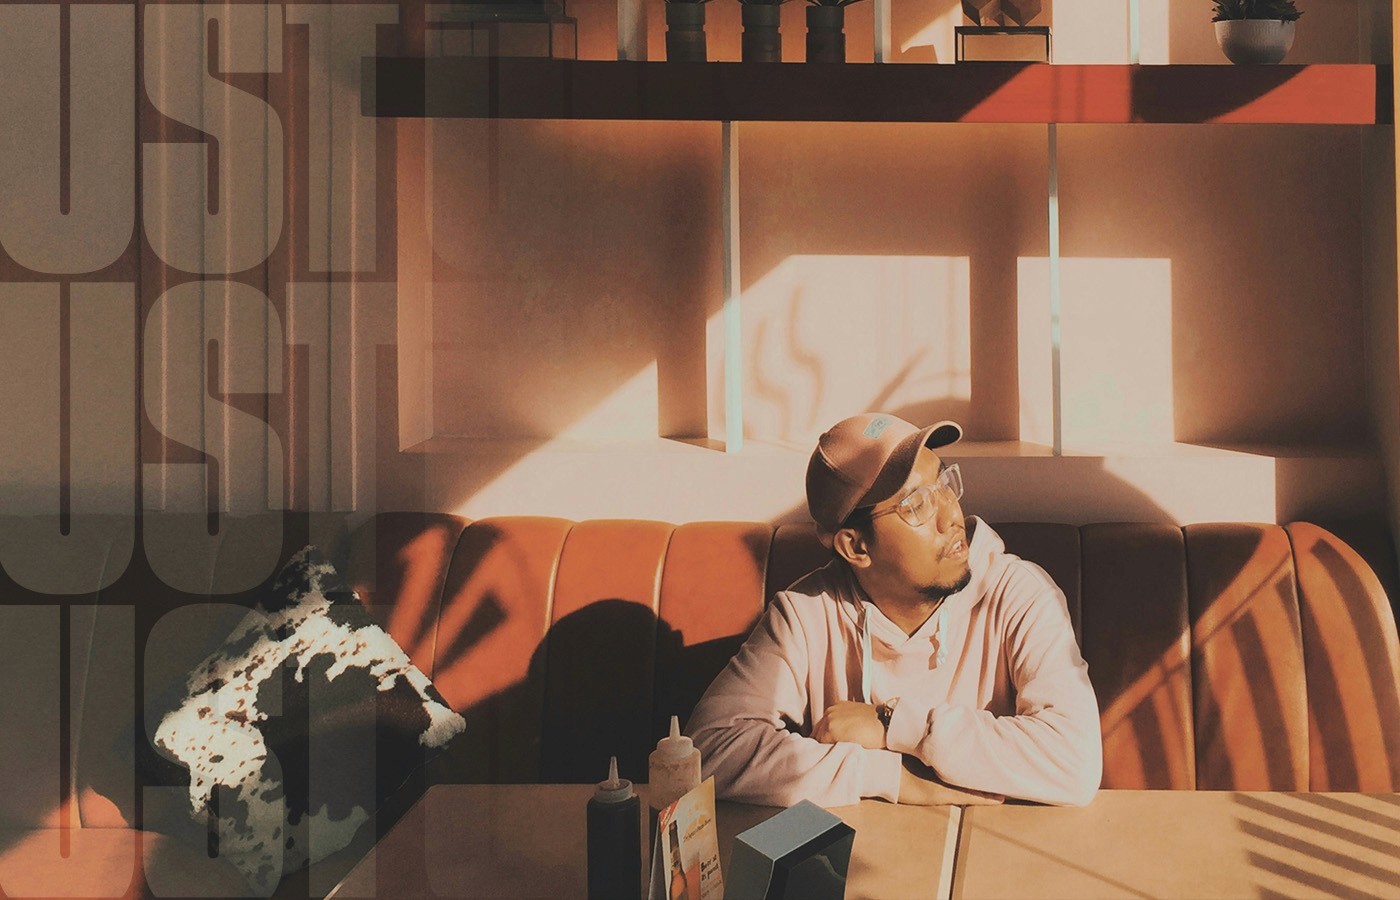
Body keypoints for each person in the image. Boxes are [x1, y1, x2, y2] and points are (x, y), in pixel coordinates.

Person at [686, 413, 1102, 807]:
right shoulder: (806, 615)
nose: (951, 516)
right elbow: (706, 750)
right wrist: (893, 777)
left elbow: (1075, 762)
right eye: (916, 504)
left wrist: (895, 724)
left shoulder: (1017, 594)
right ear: (855, 546)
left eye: (944, 484)